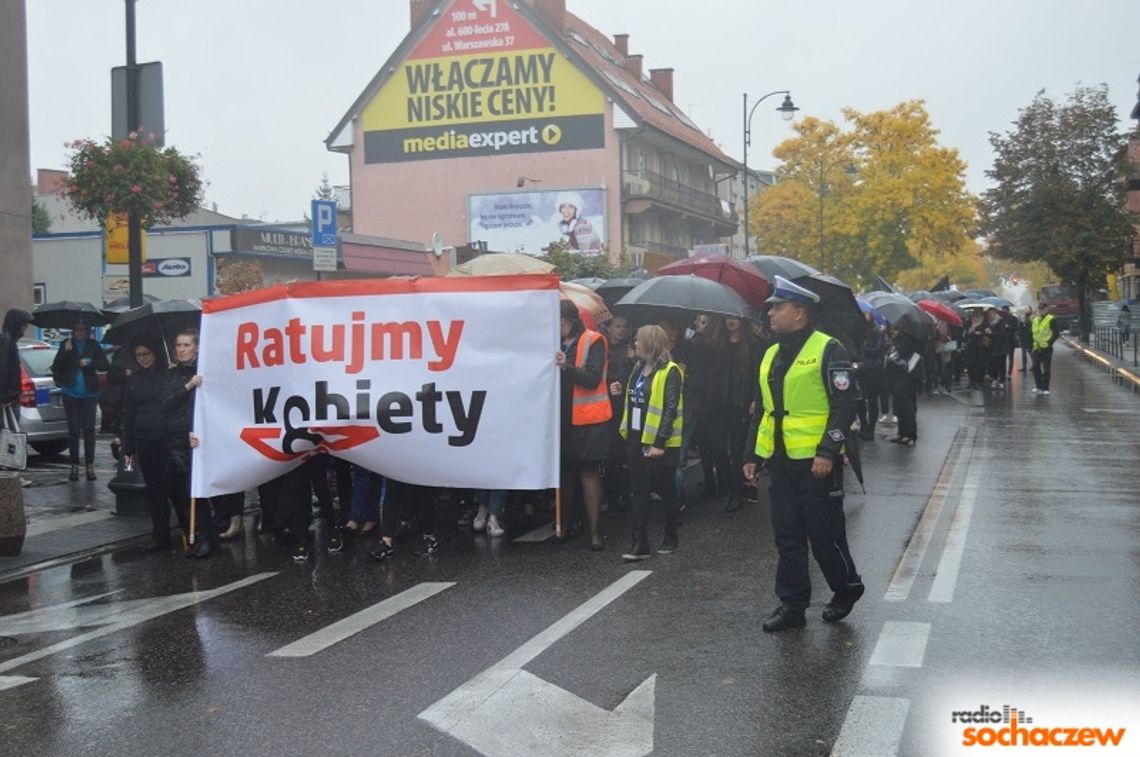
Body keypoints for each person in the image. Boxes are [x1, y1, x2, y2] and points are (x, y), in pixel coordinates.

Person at [743, 276, 863, 632]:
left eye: (777, 308)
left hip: (817, 464)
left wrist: (828, 450)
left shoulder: (829, 349)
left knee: (824, 534)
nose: (771, 314)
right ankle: (792, 604)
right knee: (788, 535)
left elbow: (844, 406)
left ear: (800, 312)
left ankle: (846, 588)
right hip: (781, 461)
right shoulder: (770, 354)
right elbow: (763, 410)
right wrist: (752, 454)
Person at [612, 324, 683, 561]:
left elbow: (670, 410)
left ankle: (671, 535)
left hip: (660, 444)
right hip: (636, 438)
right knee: (639, 492)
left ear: (650, 344)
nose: (634, 344)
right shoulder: (637, 368)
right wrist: (621, 391)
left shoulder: (671, 372)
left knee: (666, 491)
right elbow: (637, 399)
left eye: (638, 340)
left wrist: (660, 443)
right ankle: (639, 542)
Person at [554, 299, 611, 551]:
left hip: (589, 418)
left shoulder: (594, 340)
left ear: (566, 321)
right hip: (561, 418)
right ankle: (564, 526)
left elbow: (592, 378)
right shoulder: (552, 344)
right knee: (565, 473)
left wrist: (566, 366)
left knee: (588, 473)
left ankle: (595, 531)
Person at [121, 337, 186, 552]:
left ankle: (189, 532)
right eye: (139, 355)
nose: (143, 359)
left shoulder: (168, 374)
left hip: (168, 438)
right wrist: (128, 447)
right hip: (145, 438)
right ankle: (160, 537)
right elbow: (129, 414)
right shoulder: (134, 380)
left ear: (155, 353)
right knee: (155, 491)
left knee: (175, 489)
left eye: (146, 354)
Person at [164, 328, 214, 557]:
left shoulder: (204, 373)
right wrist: (187, 386)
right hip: (175, 441)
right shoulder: (172, 375)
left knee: (198, 494)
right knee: (180, 494)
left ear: (196, 348)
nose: (182, 350)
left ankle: (206, 538)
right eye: (179, 346)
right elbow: (166, 404)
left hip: (197, 441)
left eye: (186, 345)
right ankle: (190, 536)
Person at [51, 320, 110, 481]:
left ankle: (90, 466)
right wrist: (65, 351)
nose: (81, 332)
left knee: (89, 431)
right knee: (74, 430)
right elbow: (57, 366)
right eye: (78, 329)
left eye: (84, 329)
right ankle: (74, 466)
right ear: (73, 330)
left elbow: (104, 364)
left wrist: (90, 362)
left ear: (88, 330)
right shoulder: (66, 344)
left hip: (89, 393)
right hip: (70, 392)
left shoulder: (93, 345)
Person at [1, 309, 32, 427]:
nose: (25, 328)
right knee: (10, 435)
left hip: (10, 397)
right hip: (8, 400)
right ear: (17, 324)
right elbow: (4, 370)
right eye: (24, 325)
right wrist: (4, 397)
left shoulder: (7, 341)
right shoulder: (7, 342)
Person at [1030, 301, 1060, 395]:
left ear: (1046, 309)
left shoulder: (1051, 319)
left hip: (1046, 347)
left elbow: (1056, 332)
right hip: (1036, 347)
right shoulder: (1036, 319)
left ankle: (1045, 388)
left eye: (1042, 309)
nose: (1041, 311)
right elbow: (1033, 332)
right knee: (1035, 367)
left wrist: (1049, 342)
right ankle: (1038, 386)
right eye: (1039, 309)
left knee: (1046, 368)